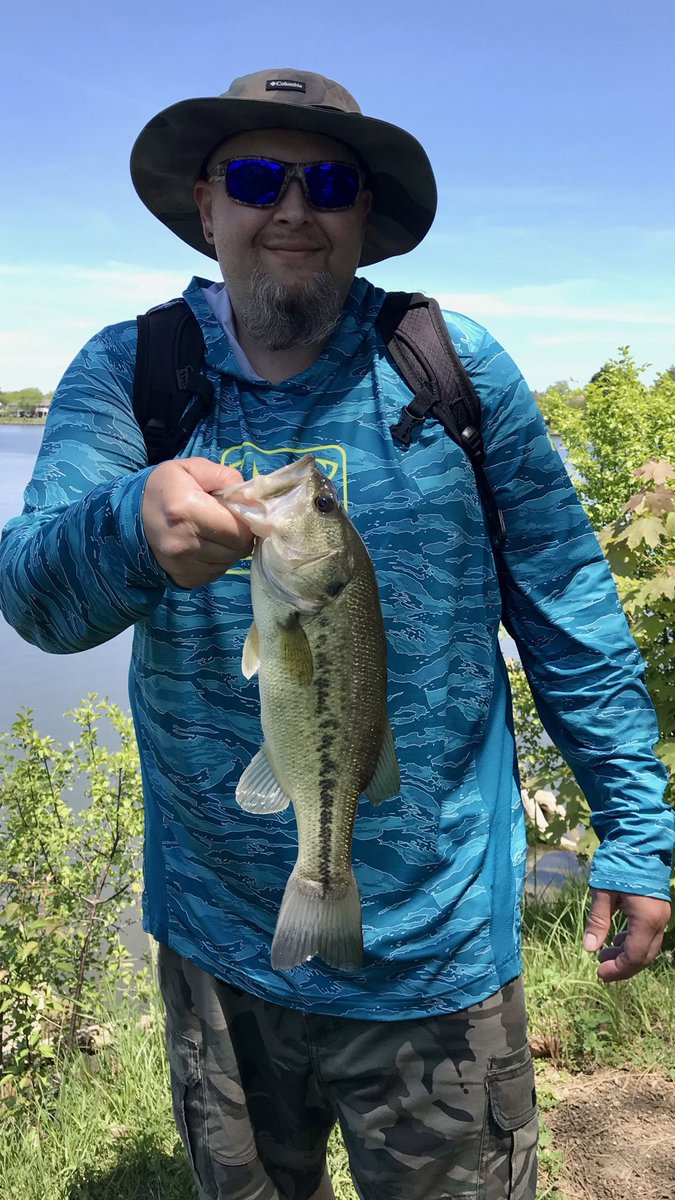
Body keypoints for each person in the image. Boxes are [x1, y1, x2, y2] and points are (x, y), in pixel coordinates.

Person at [1, 68, 672, 1200]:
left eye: (330, 182)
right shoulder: (133, 373)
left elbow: (568, 609)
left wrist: (640, 827)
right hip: (218, 948)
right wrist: (130, 528)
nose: (294, 209)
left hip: (439, 950)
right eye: (259, 178)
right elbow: (33, 599)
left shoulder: (455, 371)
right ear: (208, 209)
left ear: (368, 218)